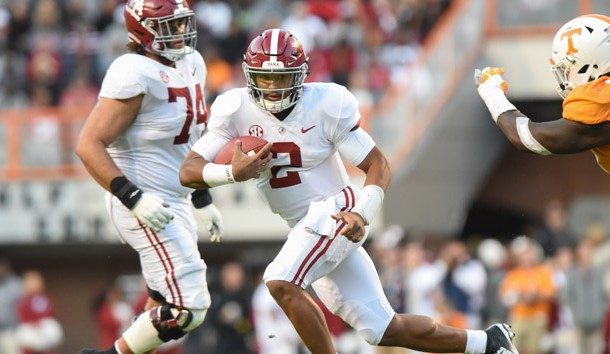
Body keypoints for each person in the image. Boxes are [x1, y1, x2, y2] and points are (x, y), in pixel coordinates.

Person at [179, 28, 519, 354]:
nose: (270, 87)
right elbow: (188, 171)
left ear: (300, 75)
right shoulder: (235, 108)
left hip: (335, 211)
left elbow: (377, 164)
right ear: (249, 74)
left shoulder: (326, 103)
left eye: (280, 78)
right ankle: (488, 342)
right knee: (382, 328)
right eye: (263, 77)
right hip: (304, 225)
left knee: (280, 281)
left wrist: (362, 212)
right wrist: (230, 173)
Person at [75, 1, 223, 353]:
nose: (180, 32)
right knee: (190, 306)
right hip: (142, 200)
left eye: (182, 23)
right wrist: (134, 198)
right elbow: (88, 144)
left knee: (161, 300)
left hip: (177, 199)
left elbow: (191, 139)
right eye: (169, 26)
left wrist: (201, 197)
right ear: (143, 30)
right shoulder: (133, 70)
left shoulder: (193, 63)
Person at [475, 14, 610, 172]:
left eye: (565, 70)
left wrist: (492, 92)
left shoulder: (601, 98)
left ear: (584, 63)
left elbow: (527, 138)